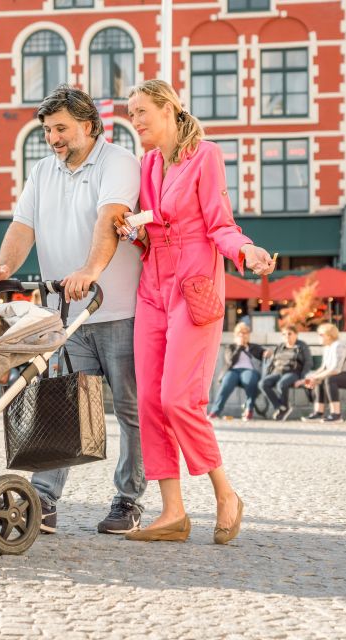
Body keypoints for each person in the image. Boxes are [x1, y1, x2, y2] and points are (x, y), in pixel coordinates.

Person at [0, 84, 146, 535]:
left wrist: (90, 269)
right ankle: (45, 499)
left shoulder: (119, 163)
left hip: (119, 310)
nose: (53, 138)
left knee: (130, 410)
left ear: (89, 126)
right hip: (64, 313)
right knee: (57, 405)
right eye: (48, 129)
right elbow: (22, 227)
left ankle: (128, 499)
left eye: (61, 128)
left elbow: (110, 218)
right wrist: (2, 267)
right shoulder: (42, 171)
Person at [120, 79, 275, 545]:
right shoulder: (147, 164)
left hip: (194, 288)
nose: (136, 120)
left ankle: (225, 495)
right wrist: (132, 231)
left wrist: (246, 250)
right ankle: (172, 512)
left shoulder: (205, 156)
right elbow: (150, 228)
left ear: (169, 108)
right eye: (131, 113)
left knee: (178, 399)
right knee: (148, 400)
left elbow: (220, 224)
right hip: (152, 288)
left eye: (142, 110)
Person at [297, 322, 346, 423]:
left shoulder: (339, 345)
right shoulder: (327, 347)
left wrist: (316, 378)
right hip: (344, 374)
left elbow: (335, 369)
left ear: (330, 335)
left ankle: (336, 415)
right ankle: (318, 413)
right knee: (321, 379)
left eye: (321, 335)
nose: (319, 337)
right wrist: (310, 378)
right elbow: (323, 368)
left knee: (330, 379)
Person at [207, 322, 267, 421]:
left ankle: (249, 410)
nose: (242, 335)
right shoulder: (230, 347)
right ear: (236, 335)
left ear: (248, 335)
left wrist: (266, 353)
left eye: (244, 333)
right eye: (240, 333)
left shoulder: (252, 347)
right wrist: (239, 347)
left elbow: (262, 353)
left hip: (248, 370)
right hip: (233, 370)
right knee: (227, 382)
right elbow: (230, 361)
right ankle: (215, 411)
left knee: (250, 380)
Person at [259, 325, 312, 421]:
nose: (287, 336)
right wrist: (268, 375)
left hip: (293, 373)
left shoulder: (301, 346)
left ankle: (284, 408)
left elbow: (308, 363)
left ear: (296, 335)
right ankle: (280, 407)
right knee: (263, 383)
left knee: (281, 384)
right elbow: (272, 363)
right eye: (284, 334)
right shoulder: (280, 346)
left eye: (290, 334)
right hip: (277, 372)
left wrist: (302, 378)